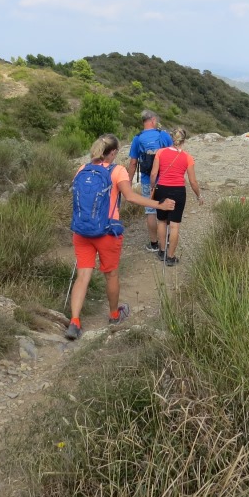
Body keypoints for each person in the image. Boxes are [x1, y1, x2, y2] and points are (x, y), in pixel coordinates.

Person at [66, 133, 175, 340]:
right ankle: (114, 315)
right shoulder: (117, 171)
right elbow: (131, 197)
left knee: (82, 276)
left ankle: (75, 322)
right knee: (111, 275)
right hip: (107, 232)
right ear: (114, 152)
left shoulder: (82, 169)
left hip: (81, 231)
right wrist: (159, 205)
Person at [149, 128, 204, 266]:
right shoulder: (188, 157)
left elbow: (153, 174)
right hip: (178, 191)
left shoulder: (160, 152)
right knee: (174, 226)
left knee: (162, 221)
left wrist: (152, 187)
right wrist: (199, 195)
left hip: (161, 189)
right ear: (184, 140)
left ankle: (162, 251)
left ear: (171, 138)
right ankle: (170, 257)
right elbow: (193, 181)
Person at [125, 110, 173, 253]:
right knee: (166, 207)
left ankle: (154, 243)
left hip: (147, 180)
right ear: (152, 120)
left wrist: (128, 182)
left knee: (150, 211)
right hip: (165, 179)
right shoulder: (163, 135)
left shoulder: (137, 138)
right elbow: (172, 155)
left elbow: (133, 163)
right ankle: (167, 238)